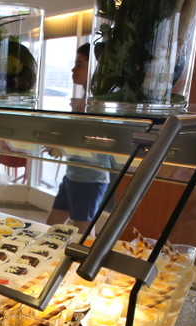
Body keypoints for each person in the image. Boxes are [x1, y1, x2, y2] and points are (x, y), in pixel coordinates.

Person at [46, 43, 112, 234]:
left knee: (83, 234)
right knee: (52, 226)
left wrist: (63, 146)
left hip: (90, 180)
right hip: (72, 175)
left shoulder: (101, 103)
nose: (73, 70)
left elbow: (96, 142)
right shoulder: (82, 100)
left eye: (79, 64)